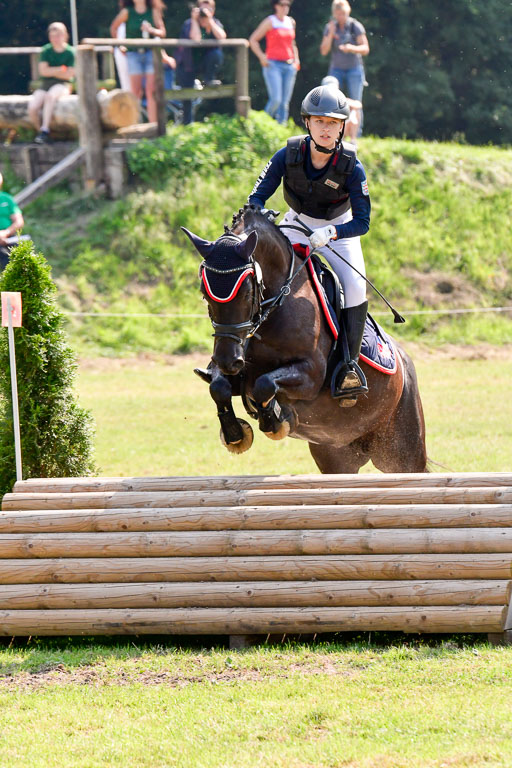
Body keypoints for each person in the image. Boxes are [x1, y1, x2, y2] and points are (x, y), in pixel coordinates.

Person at [247, 84, 371, 404]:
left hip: (340, 232)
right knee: (258, 273)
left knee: (356, 288)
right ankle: (239, 348)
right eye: (320, 121)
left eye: (332, 122)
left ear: (342, 126)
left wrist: (331, 234)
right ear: (307, 123)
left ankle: (349, 366)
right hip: (296, 225)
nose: (326, 128)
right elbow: (256, 199)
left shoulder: (351, 166)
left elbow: (363, 222)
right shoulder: (287, 155)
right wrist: (262, 214)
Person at [110, 0, 166, 124]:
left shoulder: (153, 11)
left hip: (150, 53)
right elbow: (114, 28)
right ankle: (134, 124)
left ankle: (153, 125)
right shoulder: (127, 12)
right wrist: (120, 46)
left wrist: (151, 30)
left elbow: (162, 32)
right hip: (133, 54)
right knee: (135, 92)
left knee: (151, 92)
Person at [175, 0, 226, 125]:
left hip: (206, 63)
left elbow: (222, 36)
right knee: (186, 95)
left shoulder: (215, 23)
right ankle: (187, 125)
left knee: (217, 54)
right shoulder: (189, 24)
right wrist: (194, 20)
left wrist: (210, 22)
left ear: (213, 11)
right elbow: (196, 38)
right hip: (188, 64)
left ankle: (208, 79)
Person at [249, 0, 300, 125]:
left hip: (289, 65)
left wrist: (296, 60)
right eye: (282, 4)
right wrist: (262, 57)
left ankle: (281, 129)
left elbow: (292, 43)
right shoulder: (270, 21)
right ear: (276, 6)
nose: (285, 7)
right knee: (276, 99)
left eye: (287, 5)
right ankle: (262, 125)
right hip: (273, 65)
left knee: (284, 103)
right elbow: (253, 40)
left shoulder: (290, 22)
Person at [320, 0, 369, 127]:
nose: (340, 17)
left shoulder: (355, 26)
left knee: (356, 102)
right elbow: (324, 51)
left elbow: (365, 48)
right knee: (332, 100)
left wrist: (351, 48)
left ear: (347, 12)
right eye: (337, 14)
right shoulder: (330, 27)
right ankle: (332, 129)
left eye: (342, 14)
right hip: (336, 69)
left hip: (354, 68)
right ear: (334, 14)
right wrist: (331, 33)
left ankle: (356, 135)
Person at [28, 22, 75, 145]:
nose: (55, 39)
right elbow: (43, 71)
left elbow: (69, 75)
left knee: (50, 96)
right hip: (46, 84)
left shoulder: (70, 52)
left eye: (58, 35)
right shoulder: (46, 50)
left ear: (65, 35)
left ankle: (45, 129)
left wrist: (51, 71)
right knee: (33, 107)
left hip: (63, 84)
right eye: (53, 36)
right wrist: (60, 69)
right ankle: (42, 133)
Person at [321, 74, 361, 144]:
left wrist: (345, 102)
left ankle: (353, 140)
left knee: (354, 111)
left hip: (341, 127)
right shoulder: (321, 101)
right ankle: (341, 140)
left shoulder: (342, 99)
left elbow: (358, 105)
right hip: (328, 129)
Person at [0, 172, 25, 271]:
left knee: (22, 257)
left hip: (9, 237)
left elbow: (19, 221)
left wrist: (6, 233)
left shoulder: (7, 199)